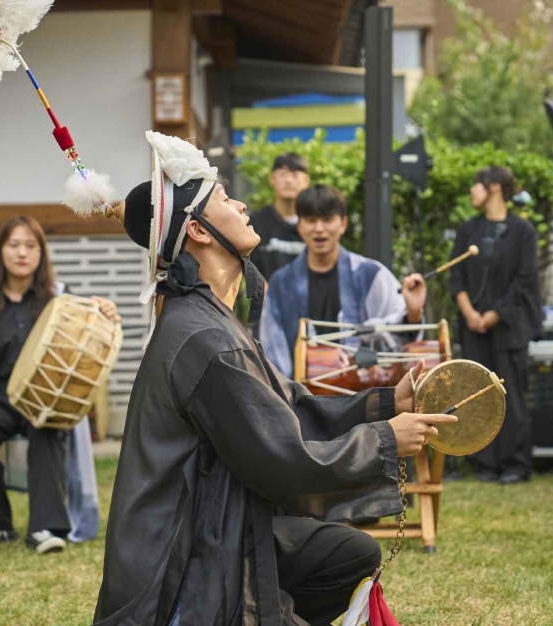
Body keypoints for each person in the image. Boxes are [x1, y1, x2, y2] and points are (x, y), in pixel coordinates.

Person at [93, 131, 454, 625]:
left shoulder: (211, 317)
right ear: (198, 231)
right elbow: (283, 458)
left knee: (348, 553)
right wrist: (384, 441)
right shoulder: (204, 337)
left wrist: (387, 403)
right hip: (185, 556)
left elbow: (288, 406)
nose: (241, 205)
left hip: (221, 519)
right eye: (223, 199)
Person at [0, 216, 119, 553]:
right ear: (0, 252)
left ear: (41, 253)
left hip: (46, 391)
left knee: (47, 430)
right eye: (14, 245)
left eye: (31, 245)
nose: (22, 253)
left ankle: (45, 528)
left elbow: (84, 338)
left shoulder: (60, 297)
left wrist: (105, 314)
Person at [259, 184, 426, 377]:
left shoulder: (371, 274)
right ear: (300, 226)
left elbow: (401, 343)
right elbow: (272, 352)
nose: (319, 229)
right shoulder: (281, 283)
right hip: (302, 400)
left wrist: (413, 312)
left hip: (364, 397)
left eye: (328, 220)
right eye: (311, 220)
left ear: (343, 224)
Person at [449, 166, 543, 485]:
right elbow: (456, 277)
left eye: (475, 185)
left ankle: (516, 463)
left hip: (508, 327)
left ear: (493, 187)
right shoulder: (467, 230)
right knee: (477, 395)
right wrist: (471, 314)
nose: (471, 192)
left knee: (510, 394)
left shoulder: (523, 231)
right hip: (474, 326)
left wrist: (493, 315)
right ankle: (485, 462)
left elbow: (524, 281)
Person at [249, 153, 310, 281]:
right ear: (272, 178)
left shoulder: (315, 223)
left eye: (295, 175)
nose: (288, 180)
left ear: (306, 180)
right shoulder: (256, 222)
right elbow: (249, 268)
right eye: (283, 174)